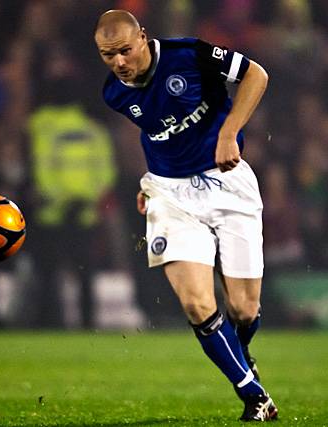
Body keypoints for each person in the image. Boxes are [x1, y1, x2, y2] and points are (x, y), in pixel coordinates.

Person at [94, 10, 277, 422]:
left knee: (245, 310)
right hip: (170, 196)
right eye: (108, 56)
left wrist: (229, 132)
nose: (119, 62)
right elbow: (158, 134)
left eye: (124, 50)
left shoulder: (189, 54)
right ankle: (255, 396)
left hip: (228, 181)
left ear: (143, 37)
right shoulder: (114, 93)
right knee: (197, 303)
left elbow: (257, 76)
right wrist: (149, 184)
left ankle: (241, 356)